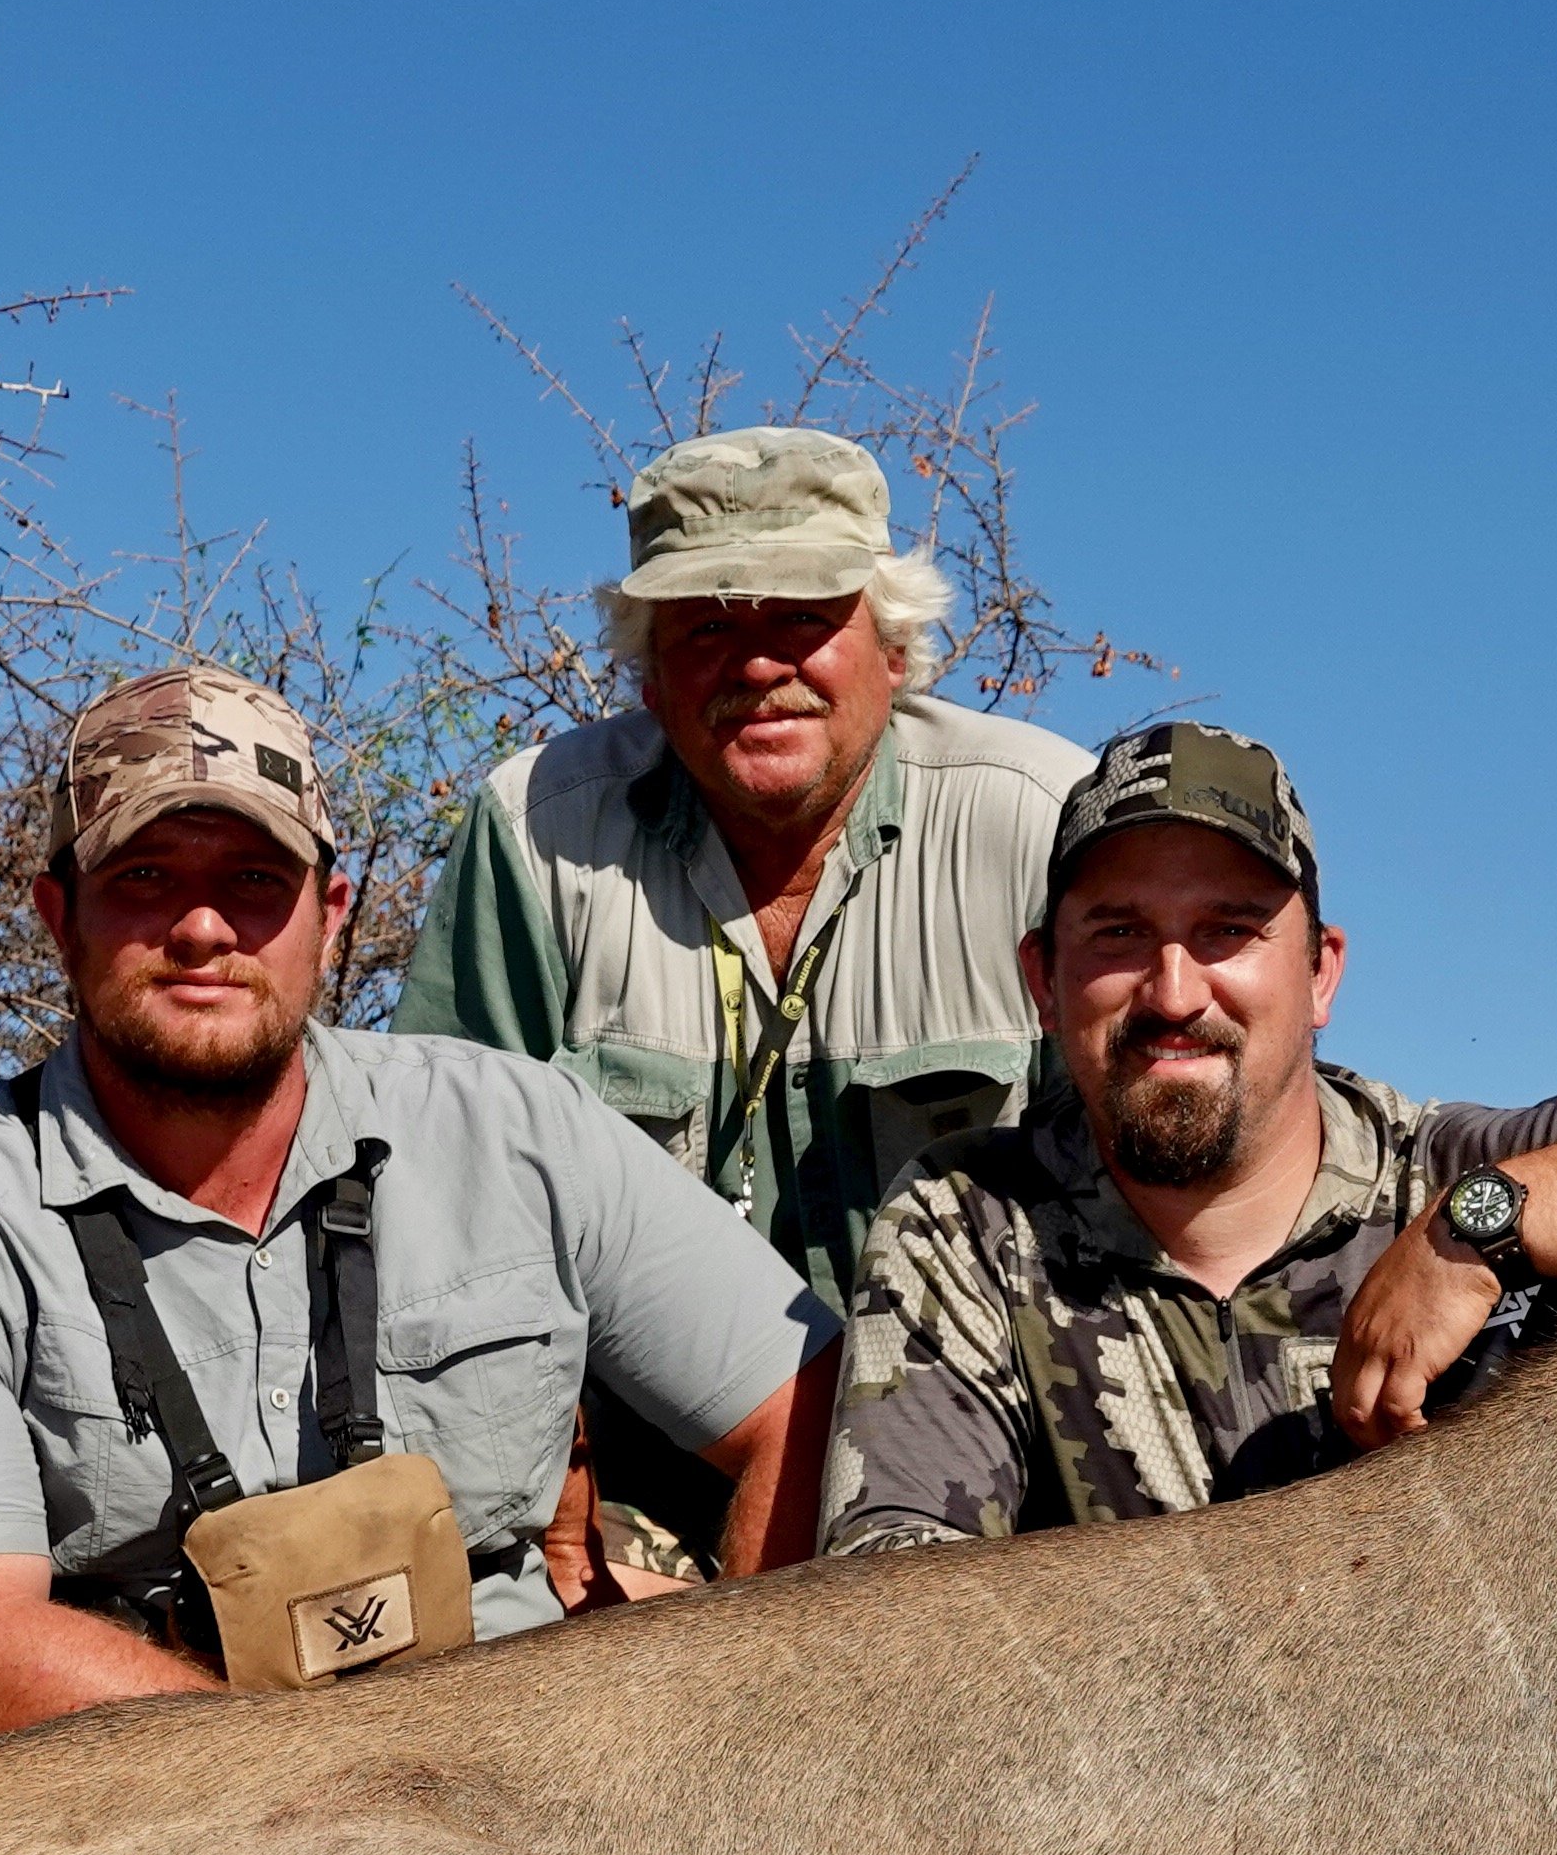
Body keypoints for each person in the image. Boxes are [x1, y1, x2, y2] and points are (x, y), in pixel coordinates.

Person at [0, 666, 836, 1749]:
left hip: (529, 1780)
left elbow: (803, 1400)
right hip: (135, 1803)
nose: (203, 926)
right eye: (146, 875)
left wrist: (732, 1715)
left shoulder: (521, 1129)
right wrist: (331, 1785)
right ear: (61, 918)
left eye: (254, 878)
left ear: (330, 916)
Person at [823, 720, 1557, 1549]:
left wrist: (1485, 1232)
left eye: (1229, 932)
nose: (1174, 991)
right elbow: (898, 1596)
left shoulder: (1461, 1170)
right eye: (1119, 935)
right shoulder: (963, 1226)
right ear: (1044, 980)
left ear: (1320, 974)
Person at [396, 424, 1094, 1308]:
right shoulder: (537, 831)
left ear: (894, 650)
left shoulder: (1044, 818)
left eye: (805, 616)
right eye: (709, 625)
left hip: (982, 1420)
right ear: (649, 675)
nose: (760, 663)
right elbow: (442, 1186)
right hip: (625, 1432)